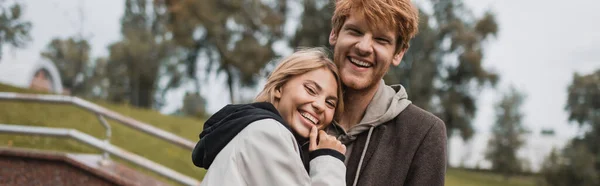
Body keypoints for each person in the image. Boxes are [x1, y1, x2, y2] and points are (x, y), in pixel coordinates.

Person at [325, 0, 447, 185]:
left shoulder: (423, 133)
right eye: (355, 31)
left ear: (398, 53)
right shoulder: (297, 110)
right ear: (335, 33)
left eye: (381, 40)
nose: (364, 47)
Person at [192, 48, 347, 186]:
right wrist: (329, 160)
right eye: (311, 90)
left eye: (330, 103)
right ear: (279, 87)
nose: (320, 105)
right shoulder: (269, 133)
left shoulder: (256, 129)